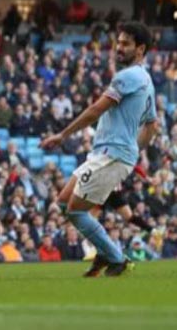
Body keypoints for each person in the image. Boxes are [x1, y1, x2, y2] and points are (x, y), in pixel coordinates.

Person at [41, 22, 158, 277]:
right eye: (118, 41)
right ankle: (106, 254)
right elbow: (152, 126)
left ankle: (116, 258)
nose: (119, 47)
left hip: (111, 154)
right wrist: (133, 149)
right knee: (62, 203)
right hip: (110, 153)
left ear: (141, 49)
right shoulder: (147, 81)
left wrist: (63, 134)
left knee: (74, 210)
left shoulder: (128, 76)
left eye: (126, 43)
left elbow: (97, 109)